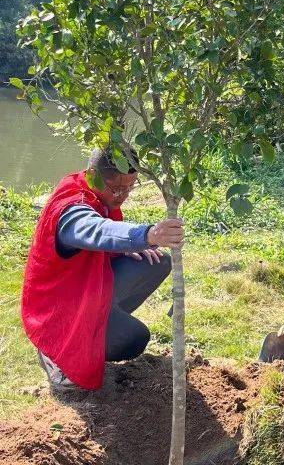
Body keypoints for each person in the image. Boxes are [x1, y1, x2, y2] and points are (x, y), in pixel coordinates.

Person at [21, 148, 184, 398]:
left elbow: (103, 237)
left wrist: (125, 249)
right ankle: (55, 353)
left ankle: (99, 323)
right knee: (134, 339)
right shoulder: (70, 208)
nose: (122, 197)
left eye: (129, 188)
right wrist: (146, 235)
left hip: (82, 290)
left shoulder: (100, 196)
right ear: (94, 175)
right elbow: (94, 230)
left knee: (157, 261)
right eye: (116, 188)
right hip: (55, 310)